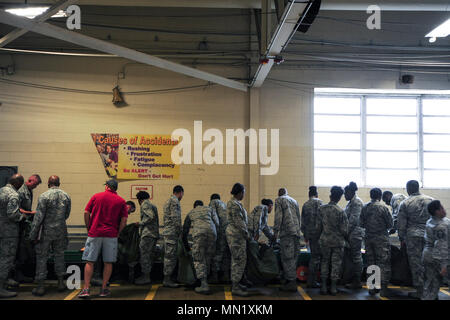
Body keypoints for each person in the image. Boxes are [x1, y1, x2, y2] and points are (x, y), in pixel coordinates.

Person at [78, 179, 128, 299]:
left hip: (94, 232)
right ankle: (104, 289)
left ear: (106, 186)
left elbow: (86, 212)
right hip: (111, 235)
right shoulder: (121, 201)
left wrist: (88, 228)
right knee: (108, 262)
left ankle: (86, 289)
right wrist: (118, 232)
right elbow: (124, 220)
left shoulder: (96, 196)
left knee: (90, 261)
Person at [29, 175, 71, 296]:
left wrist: (33, 234)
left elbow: (38, 217)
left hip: (46, 232)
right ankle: (61, 283)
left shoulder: (43, 196)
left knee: (42, 257)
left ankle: (41, 286)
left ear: (48, 183)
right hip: (61, 231)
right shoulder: (66, 196)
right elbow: (66, 214)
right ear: (59, 183)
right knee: (59, 256)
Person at [397, 180, 434, 299]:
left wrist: (401, 238)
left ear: (408, 189)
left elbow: (401, 224)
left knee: (416, 264)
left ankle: (420, 291)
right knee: (430, 263)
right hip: (429, 236)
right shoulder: (431, 200)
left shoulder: (405, 202)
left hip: (413, 237)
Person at [91, 200, 136, 286]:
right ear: (128, 207)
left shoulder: (116, 210)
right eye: (131, 211)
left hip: (102, 234)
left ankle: (102, 277)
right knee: (101, 256)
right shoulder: (120, 213)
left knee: (104, 256)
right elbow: (121, 226)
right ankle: (96, 277)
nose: (129, 213)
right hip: (104, 235)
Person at [360, 188, 393, 297]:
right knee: (383, 263)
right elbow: (390, 225)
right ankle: (383, 289)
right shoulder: (384, 207)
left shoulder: (365, 207)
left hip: (369, 238)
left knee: (371, 262)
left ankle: (372, 288)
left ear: (371, 196)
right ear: (380, 196)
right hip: (382, 239)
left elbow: (361, 224)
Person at [317, 186, 348, 296]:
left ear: (330, 195)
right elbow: (344, 230)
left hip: (324, 240)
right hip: (337, 242)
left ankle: (324, 286)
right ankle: (334, 287)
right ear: (339, 198)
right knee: (336, 264)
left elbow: (318, 227)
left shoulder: (321, 209)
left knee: (324, 262)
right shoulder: (341, 212)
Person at [182, 200, 218, 294]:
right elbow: (217, 223)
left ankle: (204, 285)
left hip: (199, 234)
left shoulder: (192, 212)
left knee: (199, 259)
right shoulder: (210, 209)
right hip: (212, 234)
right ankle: (205, 279)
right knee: (208, 258)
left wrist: (186, 246)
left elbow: (185, 230)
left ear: (195, 206)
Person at [0, 174, 25, 298]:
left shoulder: (1, 191)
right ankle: (1, 287)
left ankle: (4, 282)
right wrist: (22, 217)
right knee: (6, 260)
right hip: (8, 233)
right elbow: (12, 214)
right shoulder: (13, 195)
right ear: (18, 183)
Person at [15, 174, 41, 283]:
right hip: (18, 224)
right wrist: (31, 213)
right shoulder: (21, 191)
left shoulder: (29, 191)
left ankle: (20, 275)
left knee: (24, 250)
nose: (35, 187)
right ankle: (16, 276)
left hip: (24, 224)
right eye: (34, 185)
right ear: (29, 181)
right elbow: (17, 208)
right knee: (19, 251)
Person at [274, 188, 301, 292]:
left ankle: (291, 282)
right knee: (294, 257)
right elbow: (298, 217)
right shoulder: (294, 201)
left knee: (287, 258)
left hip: (287, 233)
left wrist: (275, 232)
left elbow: (278, 217)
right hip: (296, 234)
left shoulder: (279, 200)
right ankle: (290, 279)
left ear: (279, 193)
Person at [226, 183, 250, 297]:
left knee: (238, 259)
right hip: (236, 236)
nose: (244, 194)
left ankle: (237, 283)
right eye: (244, 192)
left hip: (237, 236)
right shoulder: (234, 204)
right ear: (240, 192)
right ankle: (235, 286)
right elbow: (239, 222)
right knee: (238, 260)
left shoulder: (235, 203)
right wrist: (247, 234)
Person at [422, 200, 449, 300]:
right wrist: (444, 266)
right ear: (437, 212)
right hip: (438, 258)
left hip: (427, 255)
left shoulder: (430, 221)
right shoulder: (442, 226)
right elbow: (442, 246)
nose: (444, 209)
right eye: (441, 208)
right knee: (432, 287)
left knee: (429, 285)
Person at [134, 191, 159, 285]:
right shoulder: (153, 205)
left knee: (144, 256)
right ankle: (147, 276)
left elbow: (151, 216)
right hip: (153, 234)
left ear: (139, 199)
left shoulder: (144, 204)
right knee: (150, 256)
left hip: (147, 234)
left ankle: (145, 277)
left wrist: (140, 223)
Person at [301, 186, 323, 288]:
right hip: (319, 235)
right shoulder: (320, 202)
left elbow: (303, 223)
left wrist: (305, 235)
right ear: (317, 194)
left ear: (308, 195)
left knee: (313, 257)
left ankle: (311, 280)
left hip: (310, 236)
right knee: (319, 258)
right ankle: (314, 281)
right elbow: (323, 220)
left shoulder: (305, 205)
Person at [162, 185, 184, 288]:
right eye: (182, 194)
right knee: (170, 256)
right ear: (180, 192)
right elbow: (176, 218)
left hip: (168, 232)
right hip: (172, 233)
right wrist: (180, 231)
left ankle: (168, 278)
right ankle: (167, 279)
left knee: (169, 255)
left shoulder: (168, 201)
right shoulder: (175, 201)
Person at [344, 181, 364, 289]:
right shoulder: (351, 202)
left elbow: (353, 221)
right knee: (352, 257)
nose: (344, 195)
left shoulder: (356, 202)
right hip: (351, 234)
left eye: (345, 193)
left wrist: (345, 232)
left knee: (356, 257)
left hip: (355, 234)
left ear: (351, 192)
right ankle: (352, 278)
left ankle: (357, 280)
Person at [209, 193, 229, 283]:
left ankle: (215, 276)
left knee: (217, 253)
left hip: (220, 231)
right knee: (225, 253)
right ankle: (226, 275)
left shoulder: (213, 202)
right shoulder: (224, 204)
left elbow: (214, 217)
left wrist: (215, 231)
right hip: (228, 232)